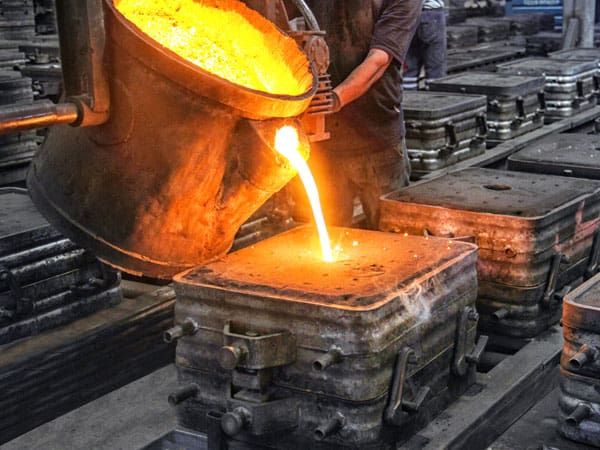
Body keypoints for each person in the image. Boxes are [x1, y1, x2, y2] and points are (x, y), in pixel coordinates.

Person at [290, 0, 423, 229]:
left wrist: (333, 98)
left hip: (377, 140)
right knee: (328, 238)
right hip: (325, 143)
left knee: (391, 235)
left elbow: (378, 61)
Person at [404, 0, 447, 90]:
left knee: (410, 67)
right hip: (432, 13)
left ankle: (409, 95)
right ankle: (434, 96)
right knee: (435, 67)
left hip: (407, 13)